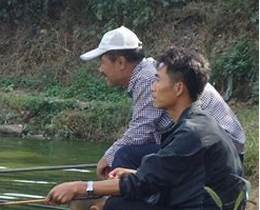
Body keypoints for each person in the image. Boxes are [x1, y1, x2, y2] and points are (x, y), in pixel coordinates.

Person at [47, 47, 246, 210]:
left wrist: (81, 187)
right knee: (132, 190)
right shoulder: (192, 125)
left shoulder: (192, 133)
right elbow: (166, 176)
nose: (152, 87)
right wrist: (133, 173)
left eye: (158, 80)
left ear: (178, 88)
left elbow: (142, 184)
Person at [79, 26, 245, 178]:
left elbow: (141, 130)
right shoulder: (148, 73)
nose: (100, 69)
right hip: (218, 148)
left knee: (125, 155)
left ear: (121, 62)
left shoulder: (146, 78)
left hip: (217, 151)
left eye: (102, 62)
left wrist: (108, 157)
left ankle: (123, 205)